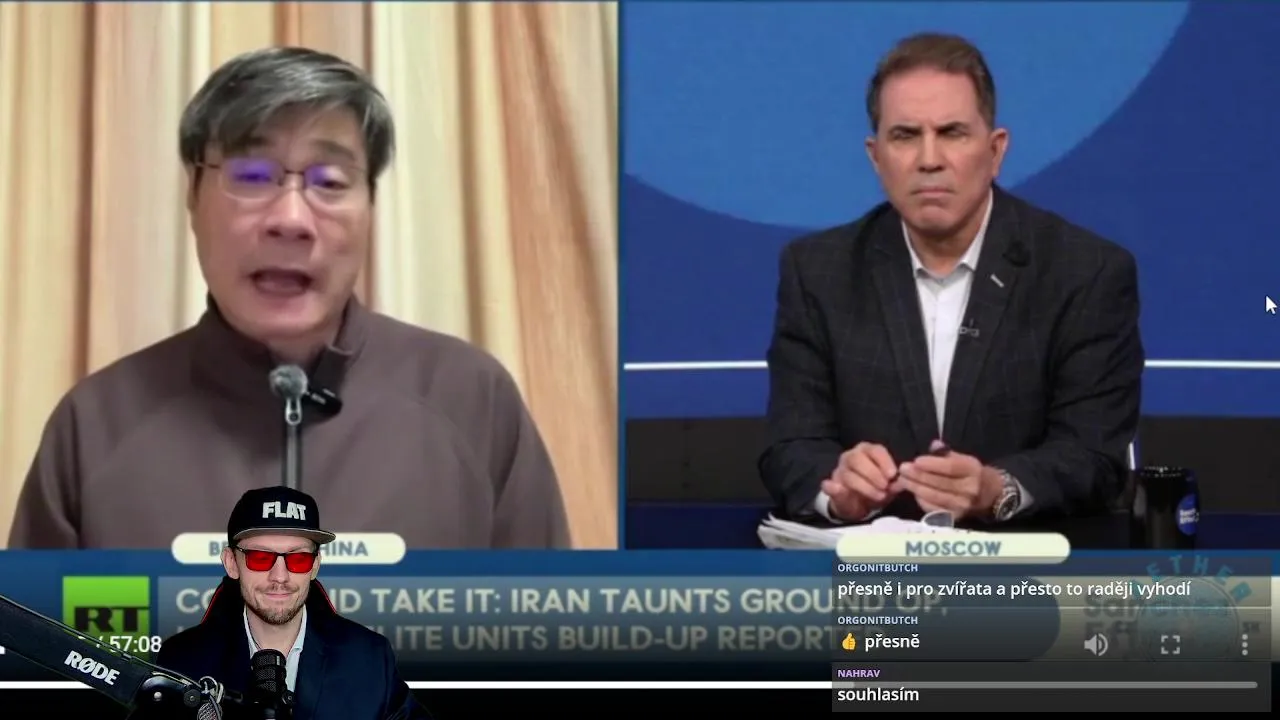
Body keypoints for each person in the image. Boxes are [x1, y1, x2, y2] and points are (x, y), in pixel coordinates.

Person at [8, 47, 570, 549]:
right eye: (252, 176)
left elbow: (545, 630)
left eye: (330, 182)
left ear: (371, 206)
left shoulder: (470, 402)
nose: (291, 219)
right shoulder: (95, 426)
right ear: (193, 198)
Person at [759, 33, 1144, 527]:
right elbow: (791, 446)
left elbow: (1093, 454)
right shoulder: (817, 272)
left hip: (1028, 566)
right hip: (874, 569)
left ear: (995, 150)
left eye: (952, 133)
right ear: (876, 157)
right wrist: (837, 489)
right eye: (905, 136)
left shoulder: (1085, 272)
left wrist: (997, 488)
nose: (929, 159)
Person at [156, 487, 431, 719]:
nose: (280, 576)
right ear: (231, 563)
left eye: (298, 559)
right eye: (260, 558)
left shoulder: (368, 659)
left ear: (315, 566)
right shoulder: (182, 662)